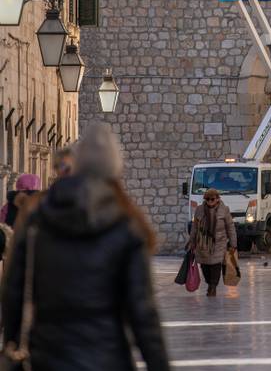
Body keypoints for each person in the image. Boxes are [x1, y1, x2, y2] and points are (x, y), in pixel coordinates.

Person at [2, 122, 170, 370]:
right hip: (108, 356)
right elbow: (142, 311)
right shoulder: (125, 226)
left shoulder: (38, 219)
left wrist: (12, 342)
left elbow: (14, 289)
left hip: (48, 355)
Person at [189, 187, 237, 297]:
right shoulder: (199, 210)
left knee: (215, 265)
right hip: (203, 242)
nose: (210, 201)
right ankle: (209, 283)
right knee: (205, 266)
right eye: (208, 199)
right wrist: (192, 241)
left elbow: (230, 226)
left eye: (212, 199)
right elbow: (195, 227)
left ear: (217, 199)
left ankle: (213, 286)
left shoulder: (224, 209)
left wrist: (233, 243)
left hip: (219, 242)